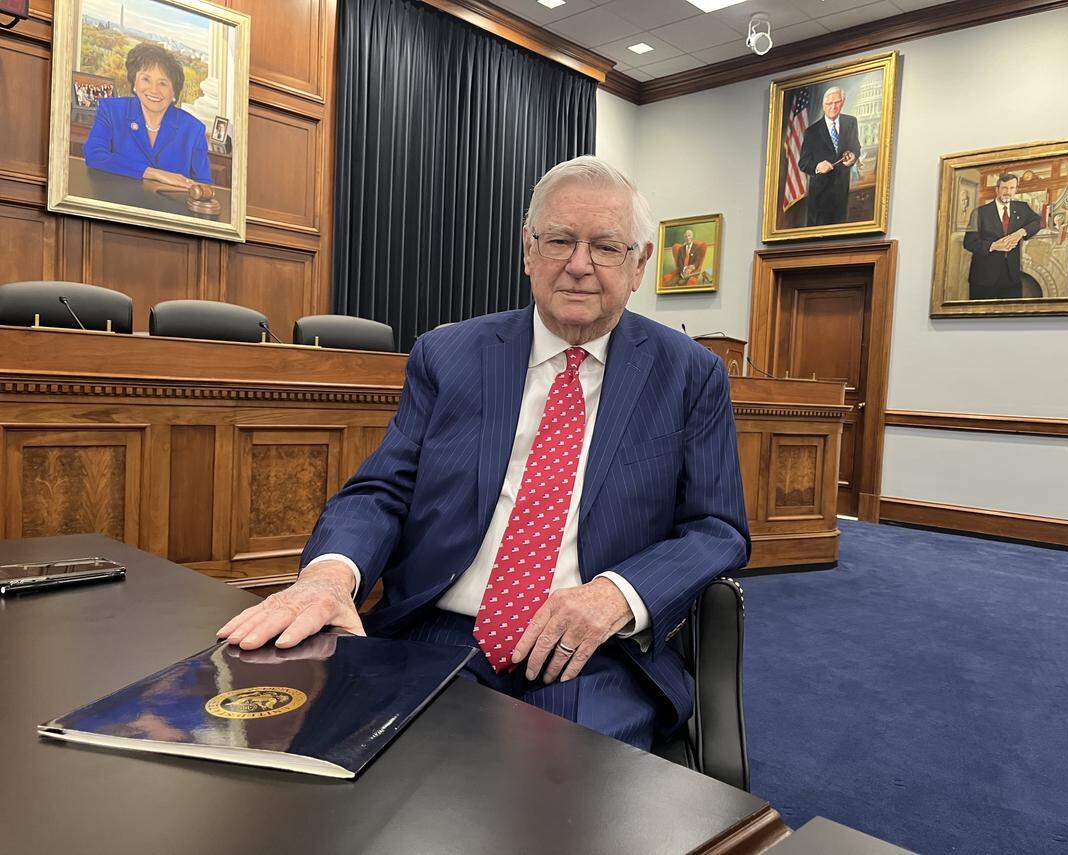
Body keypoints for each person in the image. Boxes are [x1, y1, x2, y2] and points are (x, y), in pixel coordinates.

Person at [216, 156, 750, 750]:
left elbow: (716, 529)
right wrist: (329, 576)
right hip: (441, 635)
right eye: (559, 241)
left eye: (605, 247)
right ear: (528, 250)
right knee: (384, 771)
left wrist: (613, 596)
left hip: (595, 650)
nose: (579, 265)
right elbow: (382, 491)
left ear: (640, 263)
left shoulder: (689, 375)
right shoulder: (448, 355)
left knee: (568, 786)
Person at [82, 42, 211, 189]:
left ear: (174, 92)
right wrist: (153, 173)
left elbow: (204, 186)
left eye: (162, 83)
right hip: (115, 199)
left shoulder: (193, 130)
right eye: (146, 79)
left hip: (170, 203)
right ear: (134, 83)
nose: (154, 90)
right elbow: (94, 155)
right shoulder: (111, 110)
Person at [962, 172, 1042, 299]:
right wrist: (994, 246)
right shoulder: (979, 213)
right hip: (984, 277)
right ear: (997, 190)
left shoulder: (1022, 208)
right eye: (1004, 188)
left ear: (1016, 190)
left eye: (1012, 188)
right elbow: (969, 242)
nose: (1008, 192)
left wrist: (1021, 232)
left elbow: (1038, 221)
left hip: (1012, 277)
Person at [797, 86, 861, 226]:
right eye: (829, 103)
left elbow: (856, 147)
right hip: (820, 196)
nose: (833, 107)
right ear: (823, 105)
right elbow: (803, 163)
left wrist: (853, 155)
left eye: (837, 102)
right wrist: (817, 167)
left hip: (842, 190)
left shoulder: (851, 122)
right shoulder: (811, 132)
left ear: (842, 102)